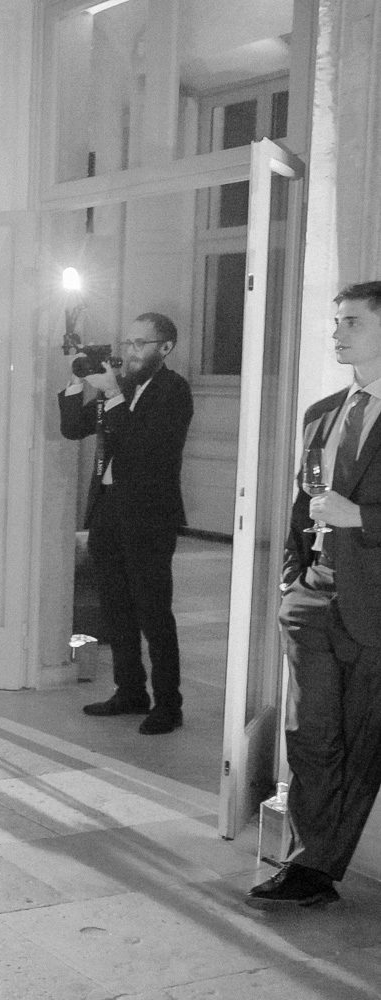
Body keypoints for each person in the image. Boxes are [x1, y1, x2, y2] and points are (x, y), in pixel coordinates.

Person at [248, 281, 381, 909]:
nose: (336, 334)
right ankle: (306, 862)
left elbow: (348, 507)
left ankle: (319, 868)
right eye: (336, 323)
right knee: (308, 734)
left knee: (360, 742)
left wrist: (364, 519)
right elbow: (306, 498)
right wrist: (292, 575)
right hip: (312, 597)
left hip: (374, 604)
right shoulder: (323, 411)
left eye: (350, 322)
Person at [59, 312, 193, 735]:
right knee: (115, 607)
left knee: (153, 611)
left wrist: (113, 394)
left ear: (165, 348)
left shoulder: (173, 390)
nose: (130, 351)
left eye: (140, 344)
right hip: (109, 509)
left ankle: (168, 704)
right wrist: (78, 383)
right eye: (128, 342)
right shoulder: (123, 385)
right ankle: (130, 691)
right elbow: (72, 429)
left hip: (150, 514)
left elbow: (143, 447)